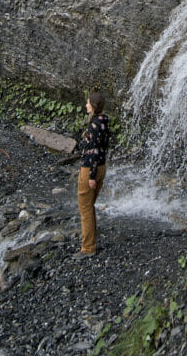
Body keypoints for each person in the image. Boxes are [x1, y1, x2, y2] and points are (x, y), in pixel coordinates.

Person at [76, 92, 110, 257]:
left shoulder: (95, 126)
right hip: (101, 167)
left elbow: (94, 151)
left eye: (88, 103)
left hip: (91, 168)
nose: (86, 105)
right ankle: (91, 242)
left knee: (85, 208)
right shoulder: (103, 122)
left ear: (94, 106)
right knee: (89, 206)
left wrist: (90, 176)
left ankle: (88, 248)